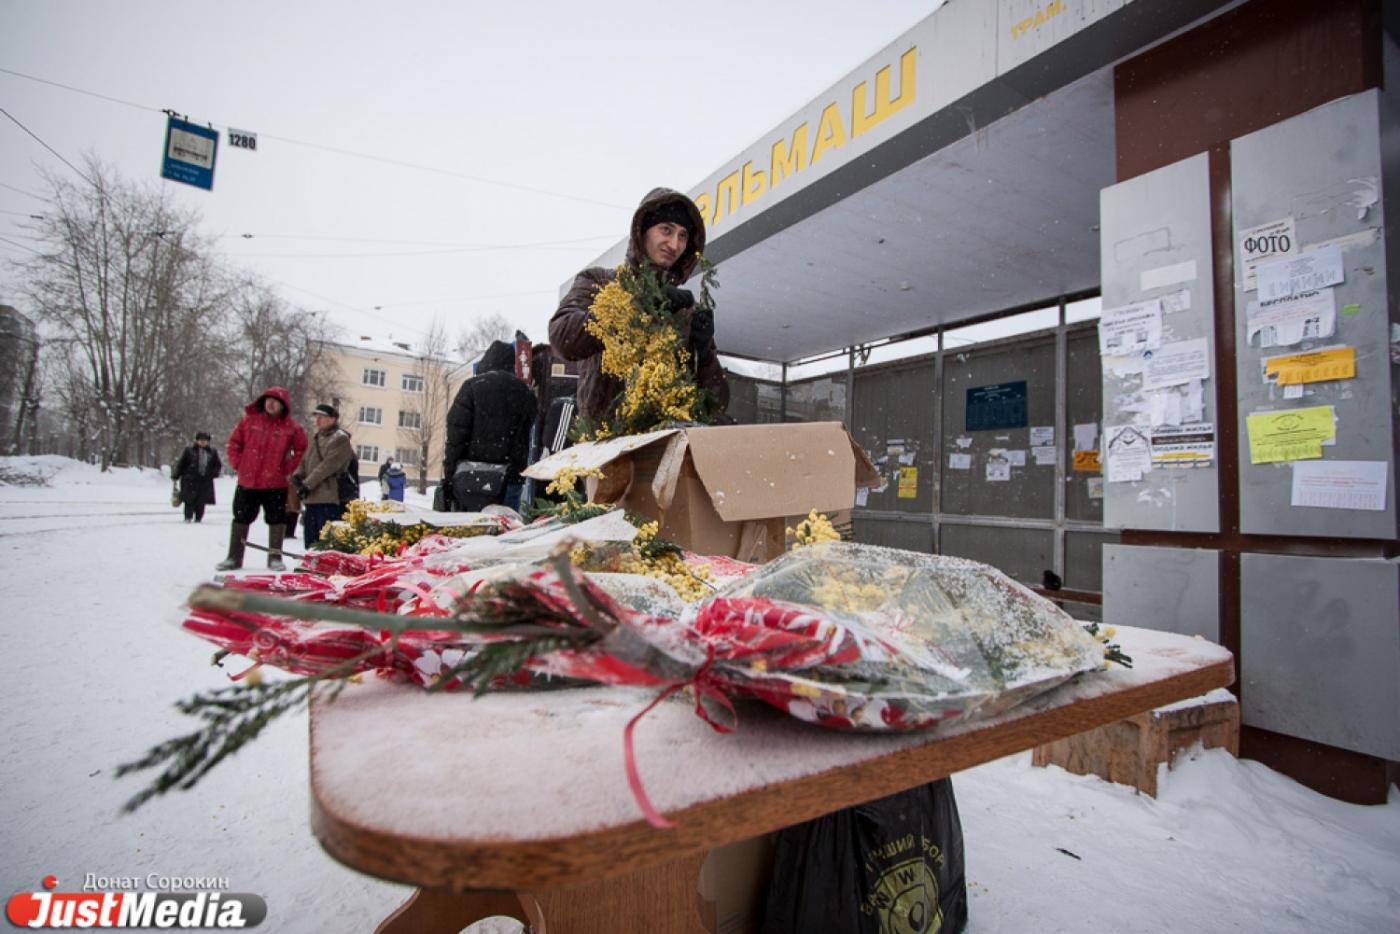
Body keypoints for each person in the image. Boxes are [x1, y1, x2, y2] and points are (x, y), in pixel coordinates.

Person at [549, 187, 728, 422]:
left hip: (665, 447)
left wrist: (704, 356)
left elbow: (715, 405)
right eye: (666, 230)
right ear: (642, 231)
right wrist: (636, 304)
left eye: (683, 236)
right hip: (605, 445)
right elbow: (562, 338)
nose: (674, 244)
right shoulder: (599, 282)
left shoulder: (685, 311)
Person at [219, 386, 308, 572]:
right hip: (248, 482)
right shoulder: (249, 421)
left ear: (284, 405)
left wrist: (287, 468)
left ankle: (274, 557)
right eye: (268, 400)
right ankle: (233, 557)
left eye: (276, 401)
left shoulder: (292, 427)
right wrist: (239, 464)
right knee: (241, 518)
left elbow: (301, 450)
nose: (271, 403)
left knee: (276, 520)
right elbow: (234, 443)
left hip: (275, 483)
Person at [442, 339, 536, 513]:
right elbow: (524, 440)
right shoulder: (525, 393)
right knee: (505, 530)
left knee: (469, 532)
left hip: (470, 479)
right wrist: (515, 474)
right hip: (509, 481)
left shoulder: (471, 387)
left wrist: (449, 473)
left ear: (487, 361)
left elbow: (456, 435)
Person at [291, 403, 355, 549]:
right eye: (317, 417)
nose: (318, 420)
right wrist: (298, 475)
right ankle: (311, 562)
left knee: (325, 539)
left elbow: (328, 466)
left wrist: (307, 484)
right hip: (313, 497)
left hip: (329, 496)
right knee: (310, 537)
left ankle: (322, 565)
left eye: (322, 417)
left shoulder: (340, 439)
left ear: (333, 419)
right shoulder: (316, 438)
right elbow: (305, 460)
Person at [171, 431, 222, 523]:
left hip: (205, 481)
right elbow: (181, 463)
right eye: (201, 440)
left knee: (201, 501)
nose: (203, 442)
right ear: (197, 440)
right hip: (190, 480)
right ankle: (188, 517)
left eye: (205, 440)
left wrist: (213, 473)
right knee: (189, 500)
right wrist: (176, 475)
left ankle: (198, 518)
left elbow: (217, 465)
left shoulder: (212, 452)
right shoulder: (189, 450)